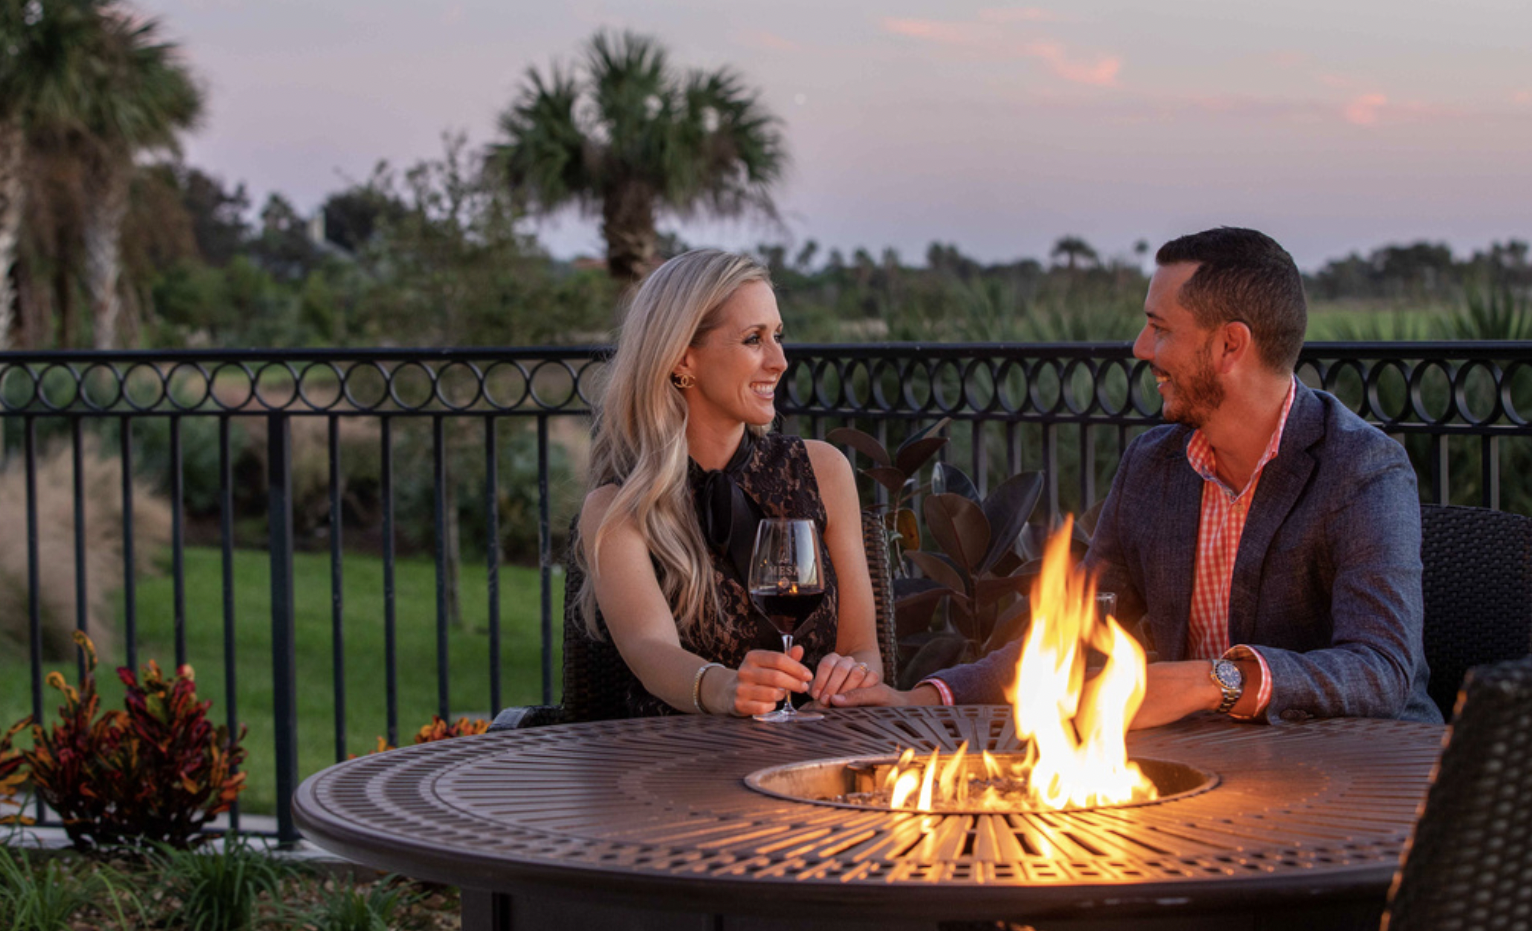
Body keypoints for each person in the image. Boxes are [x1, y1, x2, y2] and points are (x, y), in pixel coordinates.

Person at [835, 227, 1442, 727]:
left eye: (1161, 328)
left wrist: (1215, 681)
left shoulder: (1361, 469)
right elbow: (1075, 629)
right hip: (1223, 775)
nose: (1139, 347)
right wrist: (926, 698)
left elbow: (1380, 668)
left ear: (1231, 345)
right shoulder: (1154, 465)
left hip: (1367, 775)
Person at [575, 248, 883, 717]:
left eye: (777, 335)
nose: (779, 360)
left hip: (816, 755)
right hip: (678, 769)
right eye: (753, 339)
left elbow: (864, 650)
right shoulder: (618, 508)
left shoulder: (824, 471)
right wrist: (726, 690)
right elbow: (649, 650)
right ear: (682, 359)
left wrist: (850, 676)